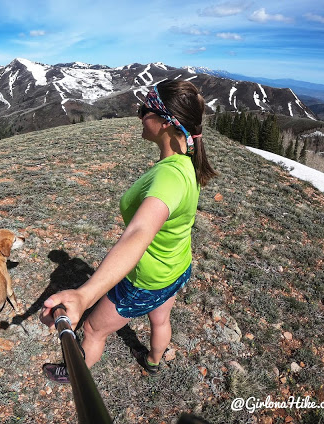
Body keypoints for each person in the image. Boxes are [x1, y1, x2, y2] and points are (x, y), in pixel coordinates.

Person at [40, 80, 216, 382]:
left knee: (94, 328)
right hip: (175, 268)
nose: (139, 116)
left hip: (145, 279)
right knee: (160, 319)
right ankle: (153, 360)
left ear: (164, 122)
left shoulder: (170, 177)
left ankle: (74, 373)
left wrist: (84, 296)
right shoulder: (186, 163)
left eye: (144, 109)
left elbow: (138, 233)